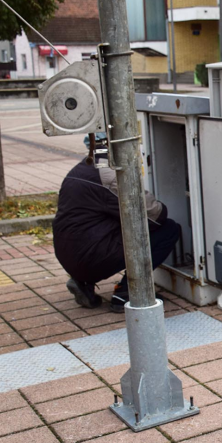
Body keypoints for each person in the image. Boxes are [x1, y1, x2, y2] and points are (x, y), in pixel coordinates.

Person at [54, 134, 180, 313]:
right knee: (169, 229)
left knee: (109, 222)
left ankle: (83, 281)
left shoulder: (82, 168)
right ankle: (127, 293)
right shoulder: (111, 175)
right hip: (90, 257)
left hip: (68, 254)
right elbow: (155, 216)